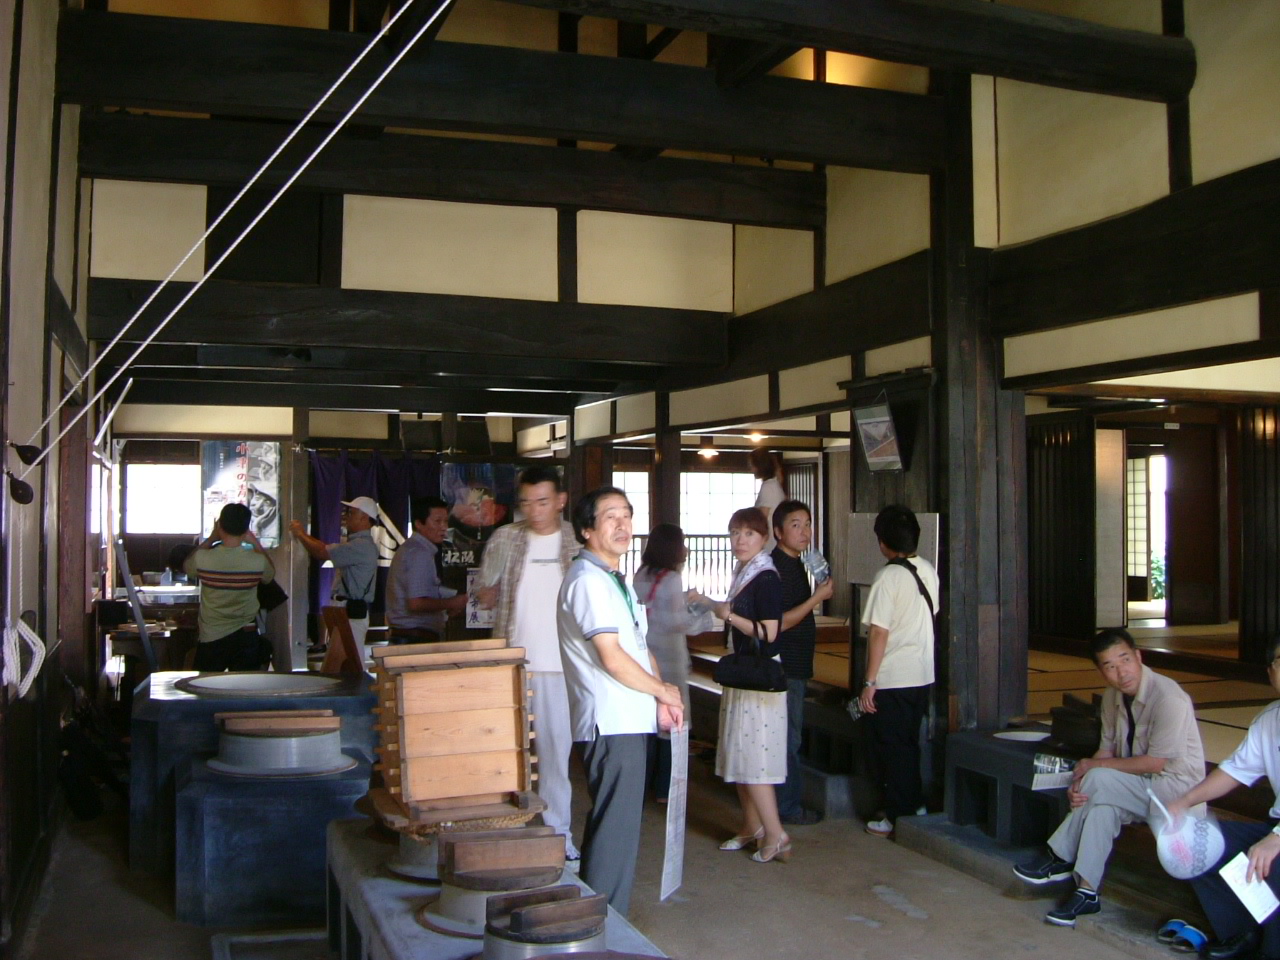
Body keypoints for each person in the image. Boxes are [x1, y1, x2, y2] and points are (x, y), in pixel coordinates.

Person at [1014, 627, 1204, 926]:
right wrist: (1080, 784)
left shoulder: (1169, 698)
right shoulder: (1112, 698)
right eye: (1110, 666)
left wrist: (1092, 770)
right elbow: (1105, 751)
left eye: (1125, 660)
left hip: (1177, 793)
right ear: (1101, 671)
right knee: (1100, 808)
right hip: (1136, 789)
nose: (1121, 672)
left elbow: (1155, 763)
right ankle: (1087, 892)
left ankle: (1059, 856)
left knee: (1099, 779)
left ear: (1138, 656)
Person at [558, 487, 684, 915]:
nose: (622, 524)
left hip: (629, 717)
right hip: (610, 721)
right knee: (616, 827)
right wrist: (662, 691)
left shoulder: (615, 580)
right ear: (586, 529)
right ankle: (602, 922)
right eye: (610, 516)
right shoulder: (587, 581)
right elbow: (611, 657)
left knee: (620, 825)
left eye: (627, 515)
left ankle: (601, 919)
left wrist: (660, 696)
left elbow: (639, 647)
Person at [474, 466, 580, 857]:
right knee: (504, 752)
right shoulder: (505, 537)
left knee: (554, 755)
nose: (534, 511)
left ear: (560, 501)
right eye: (527, 503)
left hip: (560, 666)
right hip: (511, 663)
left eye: (543, 502)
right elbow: (484, 594)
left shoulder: (578, 541)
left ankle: (558, 835)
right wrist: (488, 587)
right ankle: (504, 831)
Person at [1163, 635, 1280, 960]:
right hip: (1274, 828)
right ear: (1271, 672)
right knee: (1194, 845)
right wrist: (1183, 802)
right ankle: (1241, 934)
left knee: (1272, 863)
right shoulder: (1269, 720)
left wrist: (1277, 839)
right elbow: (1234, 771)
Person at [692, 507, 788, 864]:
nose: (740, 540)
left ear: (764, 538)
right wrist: (709, 603)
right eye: (735, 533)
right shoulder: (745, 572)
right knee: (740, 754)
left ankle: (776, 834)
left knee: (755, 759)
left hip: (759, 680)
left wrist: (728, 615)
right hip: (742, 673)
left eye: (748, 533)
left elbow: (770, 633)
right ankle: (751, 826)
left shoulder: (766, 577)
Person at [858, 504, 938, 841]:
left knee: (891, 747)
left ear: (882, 542)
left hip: (892, 678)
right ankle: (913, 806)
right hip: (922, 674)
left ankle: (897, 813)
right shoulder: (928, 569)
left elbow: (879, 632)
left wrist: (869, 682)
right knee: (907, 743)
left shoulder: (888, 577)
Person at [634, 523, 712, 803]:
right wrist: (702, 610)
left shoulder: (641, 574)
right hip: (671, 658)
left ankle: (643, 784)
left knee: (650, 721)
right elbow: (679, 623)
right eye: (682, 543)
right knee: (675, 722)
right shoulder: (671, 579)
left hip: (645, 657)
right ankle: (666, 789)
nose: (685, 549)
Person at [770, 500, 833, 826]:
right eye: (795, 525)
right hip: (786, 666)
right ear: (778, 532)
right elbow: (780, 622)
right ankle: (787, 807)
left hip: (795, 664)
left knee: (788, 737)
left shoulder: (797, 562)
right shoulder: (777, 567)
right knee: (788, 740)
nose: (805, 531)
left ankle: (782, 804)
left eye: (807, 524)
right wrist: (817, 598)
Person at [183, 503, 275, 672]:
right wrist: (255, 542)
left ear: (219, 525)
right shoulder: (257, 561)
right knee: (243, 687)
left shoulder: (202, 558)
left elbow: (187, 567)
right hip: (246, 632)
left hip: (211, 634)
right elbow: (269, 576)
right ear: (246, 529)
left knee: (206, 685)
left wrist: (211, 539)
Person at [290, 495, 380, 664]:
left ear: (364, 518)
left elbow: (322, 552)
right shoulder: (357, 544)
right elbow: (325, 549)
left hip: (351, 612)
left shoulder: (361, 546)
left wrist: (301, 534)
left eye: (351, 513)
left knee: (353, 662)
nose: (346, 516)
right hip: (344, 609)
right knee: (340, 660)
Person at [384, 496, 468, 643]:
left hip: (410, 637)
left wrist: (451, 599)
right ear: (419, 524)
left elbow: (425, 592)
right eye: (437, 521)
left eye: (445, 521)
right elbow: (416, 603)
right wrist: (452, 603)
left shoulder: (415, 549)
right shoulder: (419, 552)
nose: (443, 527)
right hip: (414, 639)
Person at [750, 448, 786, 553]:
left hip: (769, 546)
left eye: (752, 465)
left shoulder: (768, 487)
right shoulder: (774, 484)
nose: (751, 469)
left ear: (760, 466)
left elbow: (762, 519)